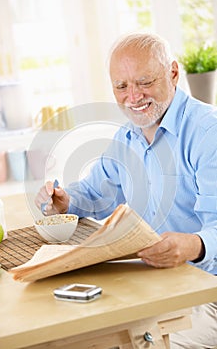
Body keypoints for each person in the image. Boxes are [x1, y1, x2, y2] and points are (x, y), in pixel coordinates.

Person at [35, 33, 217, 348]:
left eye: (144, 82)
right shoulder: (127, 136)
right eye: (121, 87)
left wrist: (195, 245)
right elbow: (96, 194)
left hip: (207, 292)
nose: (133, 97)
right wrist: (66, 201)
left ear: (173, 73)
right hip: (156, 285)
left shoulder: (207, 133)